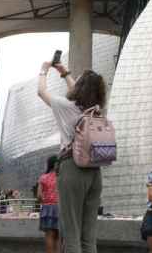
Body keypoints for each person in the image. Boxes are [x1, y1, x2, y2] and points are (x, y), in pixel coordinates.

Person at [37, 58, 106, 253]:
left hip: (72, 169)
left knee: (70, 233)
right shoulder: (97, 110)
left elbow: (41, 92)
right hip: (95, 173)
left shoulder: (65, 105)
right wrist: (65, 73)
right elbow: (82, 92)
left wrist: (44, 70)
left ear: (80, 87)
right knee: (88, 236)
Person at [37, 156, 60, 253]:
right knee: (59, 236)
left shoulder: (43, 177)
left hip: (47, 208)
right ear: (55, 164)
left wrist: (45, 201)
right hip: (60, 208)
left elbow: (39, 195)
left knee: (49, 235)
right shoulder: (61, 177)